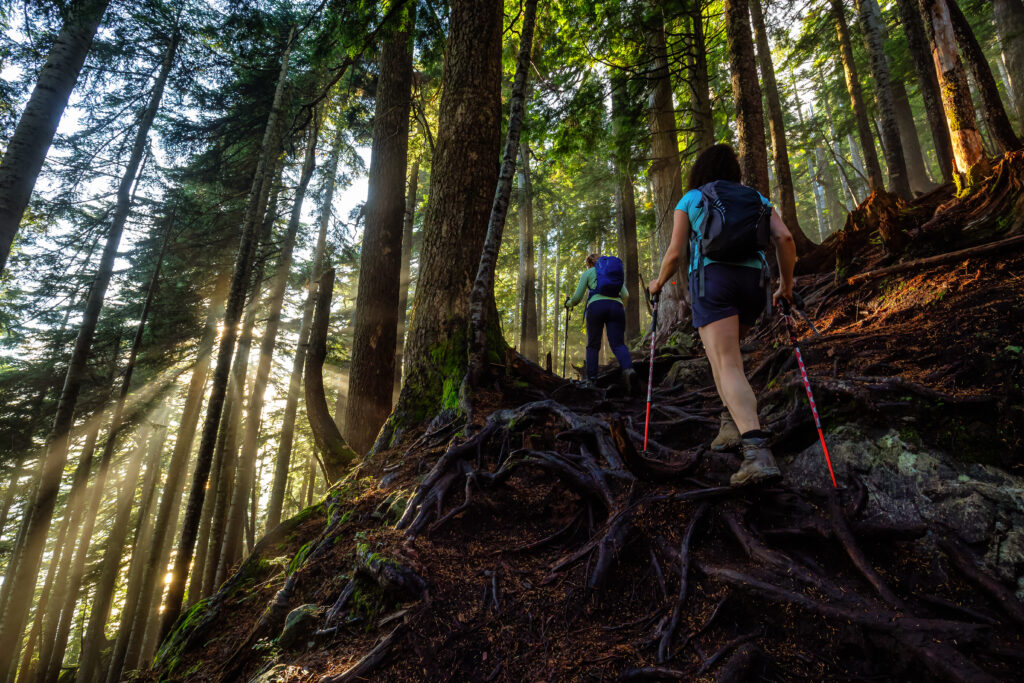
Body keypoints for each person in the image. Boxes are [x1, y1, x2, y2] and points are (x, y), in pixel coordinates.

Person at [648, 144, 796, 486]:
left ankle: (756, 451)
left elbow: (674, 255)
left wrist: (658, 284)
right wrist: (786, 285)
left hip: (713, 283)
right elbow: (785, 238)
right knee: (726, 360)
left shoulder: (691, 199)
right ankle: (731, 424)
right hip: (754, 285)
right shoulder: (756, 198)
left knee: (726, 362)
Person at [565, 254, 638, 392]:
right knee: (618, 344)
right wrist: (620, 305)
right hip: (616, 307)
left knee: (593, 345)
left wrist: (568, 304)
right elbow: (626, 295)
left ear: (589, 264)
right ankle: (629, 370)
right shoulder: (613, 273)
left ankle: (591, 380)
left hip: (596, 307)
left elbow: (577, 298)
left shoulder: (588, 273)